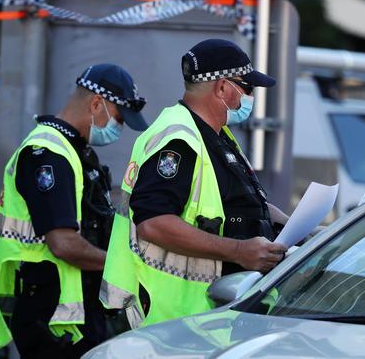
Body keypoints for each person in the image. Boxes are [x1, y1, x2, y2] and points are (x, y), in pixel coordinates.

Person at [100, 39, 289, 329]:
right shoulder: (178, 139)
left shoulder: (215, 134)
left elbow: (240, 201)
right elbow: (153, 222)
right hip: (171, 318)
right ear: (223, 88)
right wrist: (239, 251)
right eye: (247, 88)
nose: (250, 97)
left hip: (206, 316)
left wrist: (302, 228)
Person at [0, 63, 148, 358]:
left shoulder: (75, 151)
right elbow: (63, 244)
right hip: (51, 319)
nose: (119, 129)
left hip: (70, 315)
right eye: (119, 119)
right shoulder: (48, 154)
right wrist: (124, 268)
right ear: (97, 104)